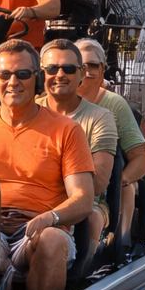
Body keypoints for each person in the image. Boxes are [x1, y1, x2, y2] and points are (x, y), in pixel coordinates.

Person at [0, 40, 94, 290]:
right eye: (4, 74)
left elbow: (83, 198)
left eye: (22, 74)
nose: (13, 82)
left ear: (37, 79)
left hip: (40, 229)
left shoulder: (66, 130)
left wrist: (51, 218)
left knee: (52, 240)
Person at [37, 39, 118, 250]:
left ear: (81, 73)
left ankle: (83, 267)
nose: (60, 75)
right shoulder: (30, 110)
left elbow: (98, 183)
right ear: (41, 73)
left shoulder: (101, 117)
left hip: (86, 203)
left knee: (91, 219)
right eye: (52, 69)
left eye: (69, 69)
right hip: (33, 201)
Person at [74, 37, 145, 242]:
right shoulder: (46, 102)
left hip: (102, 188)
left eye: (92, 66)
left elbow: (142, 157)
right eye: (81, 66)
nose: (86, 72)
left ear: (102, 71)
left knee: (127, 189)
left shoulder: (114, 105)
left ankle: (120, 244)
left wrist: (119, 181)